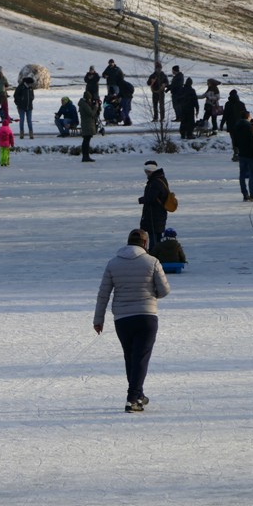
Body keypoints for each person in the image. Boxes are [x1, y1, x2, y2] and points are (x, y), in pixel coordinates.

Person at [92, 228, 170, 413]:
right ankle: (132, 399)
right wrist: (153, 294)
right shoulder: (152, 262)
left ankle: (139, 394)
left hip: (122, 319)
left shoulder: (113, 263)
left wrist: (98, 319)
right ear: (145, 243)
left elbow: (103, 294)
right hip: (146, 316)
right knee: (141, 358)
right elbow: (164, 290)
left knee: (131, 357)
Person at [138, 160, 170, 251]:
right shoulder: (161, 179)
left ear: (150, 171)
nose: (146, 174)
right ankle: (158, 257)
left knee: (154, 239)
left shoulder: (155, 182)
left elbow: (150, 198)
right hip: (159, 214)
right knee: (157, 237)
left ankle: (154, 259)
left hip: (154, 215)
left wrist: (141, 200)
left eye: (146, 171)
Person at [234, 112, 253, 201]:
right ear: (248, 117)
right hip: (251, 154)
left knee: (242, 174)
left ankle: (245, 194)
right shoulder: (249, 127)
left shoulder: (237, 126)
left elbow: (235, 142)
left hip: (242, 154)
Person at [220, 89, 246, 161]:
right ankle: (241, 153)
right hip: (241, 125)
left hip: (231, 125)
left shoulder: (228, 104)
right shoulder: (241, 104)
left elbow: (225, 115)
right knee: (240, 139)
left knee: (234, 140)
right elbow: (245, 115)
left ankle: (236, 153)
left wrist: (222, 124)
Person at [79, 91, 96, 162]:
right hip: (87, 124)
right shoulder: (84, 105)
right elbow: (91, 113)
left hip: (87, 124)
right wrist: (95, 107)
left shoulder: (83, 104)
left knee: (86, 140)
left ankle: (86, 156)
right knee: (86, 141)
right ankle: (85, 156)